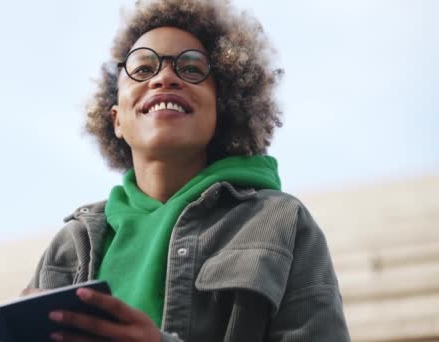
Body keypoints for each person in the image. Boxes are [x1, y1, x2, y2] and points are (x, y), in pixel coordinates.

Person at [23, 0, 350, 341]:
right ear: (117, 119)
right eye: (142, 68)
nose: (165, 77)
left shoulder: (281, 223)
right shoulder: (71, 246)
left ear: (222, 111)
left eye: (192, 69)